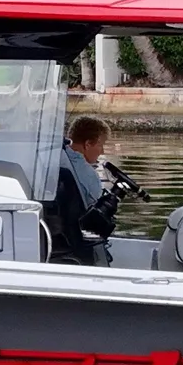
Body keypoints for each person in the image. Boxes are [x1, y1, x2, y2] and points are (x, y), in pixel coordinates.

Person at [44, 113, 129, 264]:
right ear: (88, 144)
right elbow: (94, 216)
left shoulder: (56, 158)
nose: (102, 151)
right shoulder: (87, 175)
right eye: (100, 145)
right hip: (76, 242)